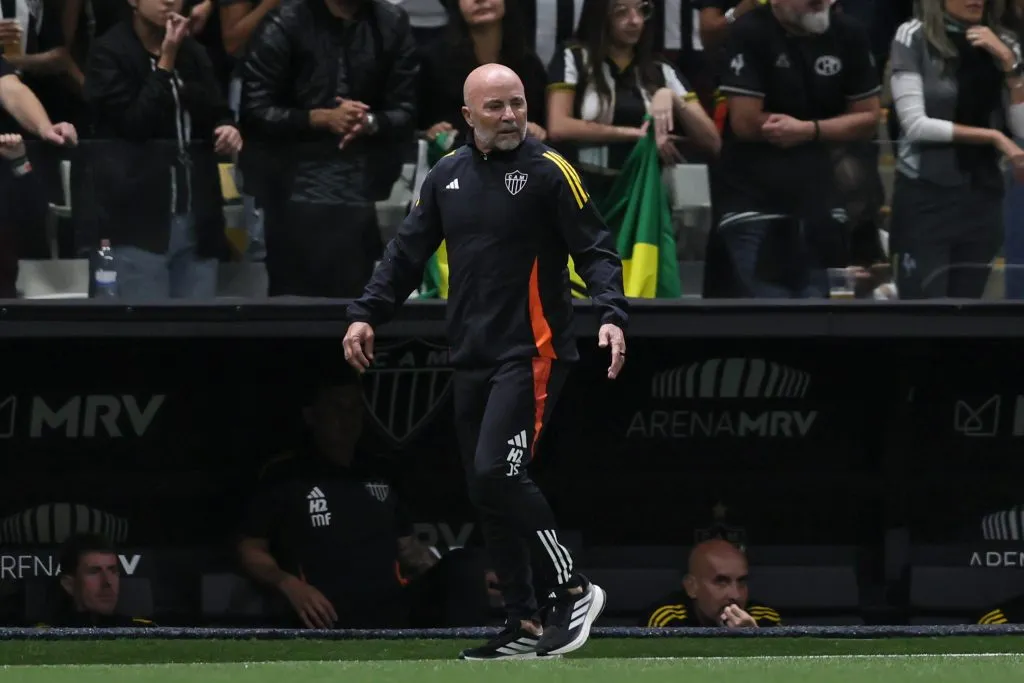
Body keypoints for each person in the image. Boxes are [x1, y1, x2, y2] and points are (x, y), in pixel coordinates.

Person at [343, 63, 628, 660]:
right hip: (470, 353)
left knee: (499, 472)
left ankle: (573, 587)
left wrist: (611, 314)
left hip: (533, 351)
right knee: (484, 487)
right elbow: (406, 252)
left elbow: (597, 249)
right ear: (468, 116)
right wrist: (366, 312)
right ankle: (523, 622)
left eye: (518, 104)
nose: (510, 117)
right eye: (495, 107)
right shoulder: (446, 175)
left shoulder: (551, 171)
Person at [239, 0, 418, 298]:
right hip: (291, 189)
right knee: (294, 308)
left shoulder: (391, 22)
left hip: (359, 190)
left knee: (354, 306)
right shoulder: (284, 22)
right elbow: (254, 111)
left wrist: (370, 121)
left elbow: (407, 110)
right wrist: (317, 118)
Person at [705, 0, 881, 298]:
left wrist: (808, 131)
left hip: (821, 202)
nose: (819, 2)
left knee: (820, 317)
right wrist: (822, 129)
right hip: (754, 202)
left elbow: (869, 117)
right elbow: (745, 122)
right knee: (768, 316)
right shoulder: (750, 31)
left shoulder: (849, 33)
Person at [84, 0, 243, 300]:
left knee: (197, 333)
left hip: (197, 220)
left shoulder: (193, 52)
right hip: (136, 223)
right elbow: (134, 125)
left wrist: (227, 127)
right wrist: (166, 59)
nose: (169, 0)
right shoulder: (108, 52)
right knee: (143, 333)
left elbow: (217, 110)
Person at [888, 0, 1024, 298]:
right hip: (926, 196)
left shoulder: (1005, 42)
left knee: (968, 316)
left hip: (983, 196)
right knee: (922, 316)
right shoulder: (912, 36)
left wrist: (1010, 65)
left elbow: (1022, 128)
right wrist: (993, 137)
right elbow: (915, 124)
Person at [546, 0, 720, 192]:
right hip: (584, 188)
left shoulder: (661, 69)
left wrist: (671, 97)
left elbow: (712, 142)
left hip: (645, 191)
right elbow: (558, 126)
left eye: (642, 10)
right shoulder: (574, 57)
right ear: (600, 16)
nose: (635, 20)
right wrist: (635, 134)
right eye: (621, 12)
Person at [417, 0, 549, 153]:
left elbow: (541, 120)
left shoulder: (528, 62)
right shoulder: (433, 60)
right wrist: (430, 132)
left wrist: (537, 130)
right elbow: (420, 122)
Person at [641, 539, 781, 628]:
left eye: (741, 582)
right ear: (691, 587)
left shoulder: (764, 619)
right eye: (721, 581)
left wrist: (754, 641)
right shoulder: (668, 620)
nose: (735, 595)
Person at [36, 533, 155, 627]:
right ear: (69, 585)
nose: (107, 582)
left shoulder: (144, 633)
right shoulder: (42, 639)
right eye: (94, 572)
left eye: (112, 571)